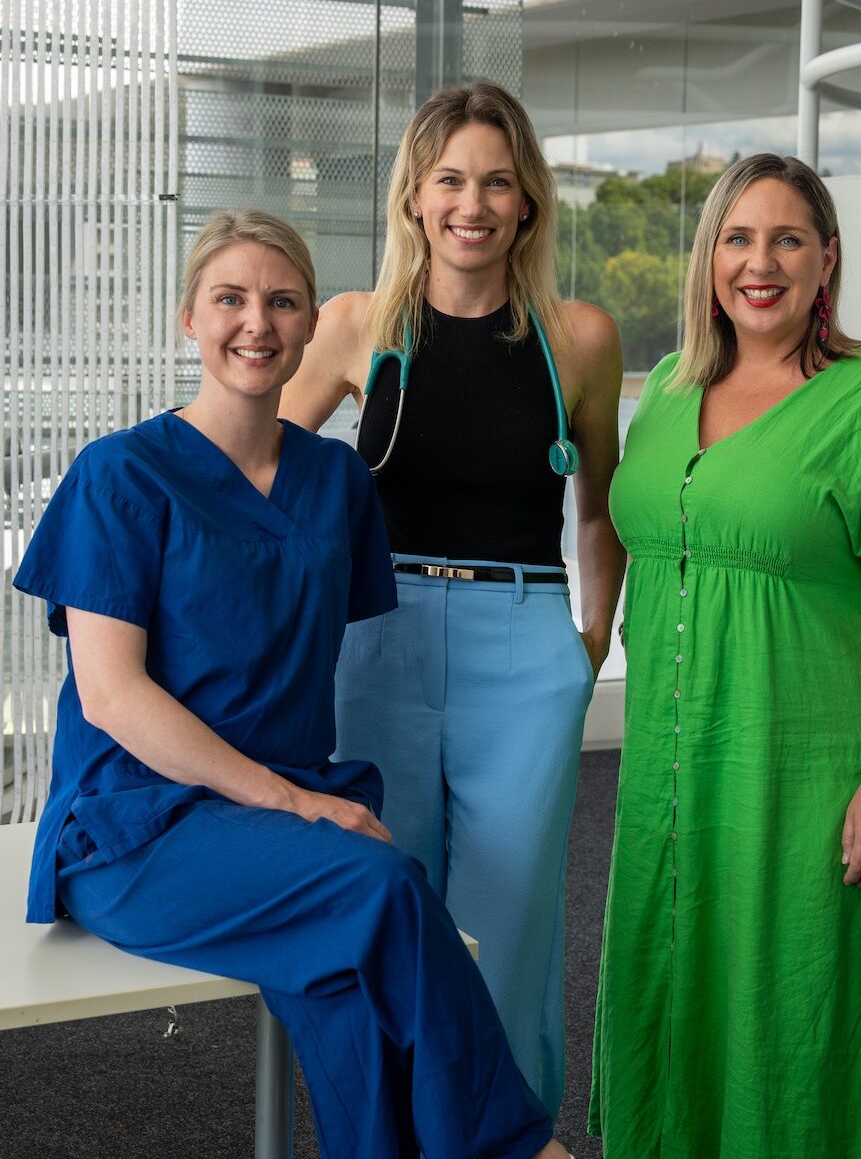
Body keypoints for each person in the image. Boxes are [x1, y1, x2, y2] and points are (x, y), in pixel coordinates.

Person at [13, 211, 569, 1159]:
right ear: (190, 316)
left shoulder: (337, 482)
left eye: (282, 301)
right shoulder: (120, 476)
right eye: (229, 299)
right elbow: (112, 698)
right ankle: (522, 1151)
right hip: (137, 828)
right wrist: (292, 801)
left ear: (315, 326)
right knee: (388, 891)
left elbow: (307, 659)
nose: (256, 324)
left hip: (283, 821)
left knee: (351, 988)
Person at [588, 154, 861, 1159]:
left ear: (826, 260)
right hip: (666, 772)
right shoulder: (667, 390)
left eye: (787, 238)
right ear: (709, 256)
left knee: (792, 1009)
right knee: (674, 985)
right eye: (738, 238)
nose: (761, 263)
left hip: (802, 771)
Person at [280, 81, 623, 1116]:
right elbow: (257, 479)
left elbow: (602, 515)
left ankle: (503, 1136)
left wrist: (585, 649)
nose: (471, 203)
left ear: (526, 202)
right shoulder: (352, 327)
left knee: (507, 921)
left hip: (522, 647)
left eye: (495, 182)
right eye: (449, 180)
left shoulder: (578, 338)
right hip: (373, 642)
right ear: (414, 199)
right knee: (387, 903)